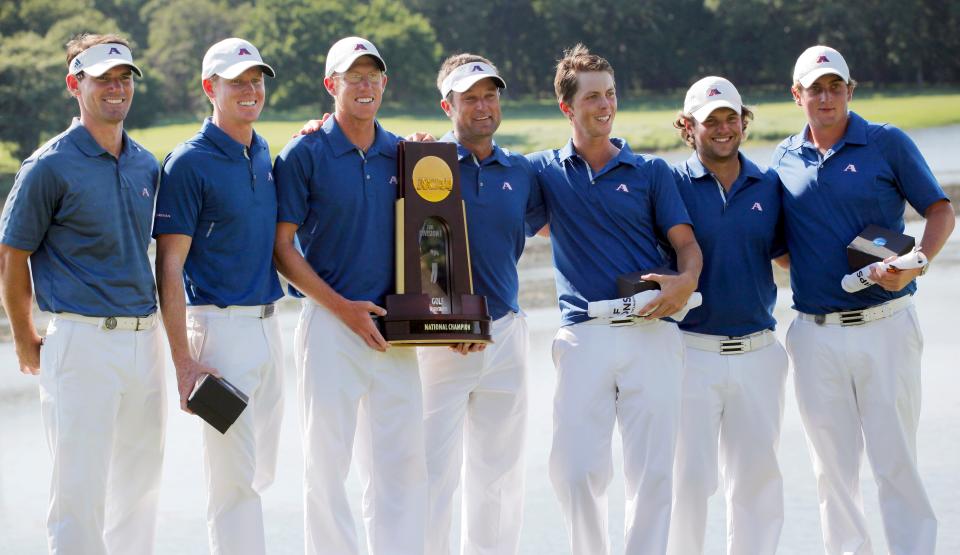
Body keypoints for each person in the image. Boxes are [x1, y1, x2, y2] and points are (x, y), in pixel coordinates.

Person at [771, 45, 954, 554]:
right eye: (815, 88)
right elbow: (782, 248)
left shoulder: (885, 142)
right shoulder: (782, 158)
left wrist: (915, 263)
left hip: (887, 325)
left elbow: (940, 211)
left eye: (835, 87)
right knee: (832, 473)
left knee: (895, 462)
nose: (825, 97)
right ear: (797, 95)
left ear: (850, 90)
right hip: (814, 335)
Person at [526, 44, 702, 555]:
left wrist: (686, 281)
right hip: (584, 334)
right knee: (574, 470)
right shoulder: (544, 171)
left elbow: (687, 245)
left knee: (651, 474)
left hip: (652, 330)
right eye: (593, 97)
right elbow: (481, 172)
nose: (605, 105)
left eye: (611, 94)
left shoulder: (651, 172)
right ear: (567, 107)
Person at [0, 34, 165, 554]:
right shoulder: (48, 165)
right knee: (78, 493)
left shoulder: (144, 163)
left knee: (138, 492)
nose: (116, 89)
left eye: (124, 79)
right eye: (102, 80)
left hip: (145, 341)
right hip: (82, 343)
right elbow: (12, 255)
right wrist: (24, 337)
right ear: (76, 85)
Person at [272, 36, 426, 555]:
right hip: (329, 327)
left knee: (401, 465)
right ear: (330, 85)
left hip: (394, 332)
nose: (364, 85)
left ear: (385, 83)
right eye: (352, 76)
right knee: (327, 465)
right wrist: (342, 309)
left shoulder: (405, 153)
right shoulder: (304, 152)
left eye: (372, 76)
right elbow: (282, 248)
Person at [152, 38, 283, 555]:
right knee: (234, 482)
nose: (251, 90)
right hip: (219, 333)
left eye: (257, 81)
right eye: (237, 82)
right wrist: (183, 362)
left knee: (260, 470)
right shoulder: (187, 163)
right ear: (211, 88)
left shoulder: (263, 150)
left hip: (270, 327)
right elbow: (169, 265)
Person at [418, 54, 543, 555]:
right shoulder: (423, 162)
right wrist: (449, 318)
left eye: (490, 94)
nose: (483, 105)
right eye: (469, 97)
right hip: (439, 341)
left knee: (499, 477)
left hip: (507, 333)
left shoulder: (520, 170)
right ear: (446, 104)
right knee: (429, 475)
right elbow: (420, 250)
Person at [665, 76, 788, 555]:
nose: (722, 129)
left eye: (730, 118)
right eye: (709, 121)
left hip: (759, 352)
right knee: (688, 484)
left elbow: (789, 254)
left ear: (743, 121)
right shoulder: (669, 183)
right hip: (690, 353)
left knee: (758, 483)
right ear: (688, 127)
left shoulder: (769, 184)